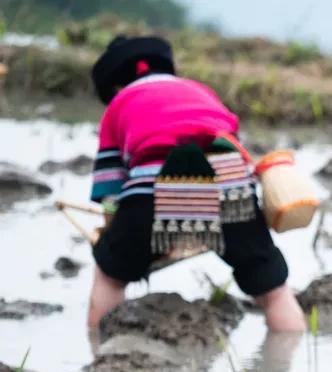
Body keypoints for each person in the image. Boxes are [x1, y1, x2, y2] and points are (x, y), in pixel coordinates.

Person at [87, 36, 305, 332]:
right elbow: (232, 144)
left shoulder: (119, 105)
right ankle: (286, 362)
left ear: (114, 86)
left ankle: (97, 351)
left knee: (110, 274)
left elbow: (110, 189)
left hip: (152, 188)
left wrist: (117, 230)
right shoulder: (201, 91)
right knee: (272, 288)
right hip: (229, 186)